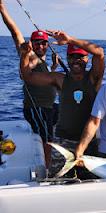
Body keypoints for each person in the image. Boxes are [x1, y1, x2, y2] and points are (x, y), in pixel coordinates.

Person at [19, 30, 105, 177]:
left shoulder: (93, 78)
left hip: (88, 143)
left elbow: (99, 53)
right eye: (72, 56)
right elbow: (28, 76)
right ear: (67, 58)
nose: (76, 60)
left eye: (80, 56)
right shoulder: (60, 79)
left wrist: (70, 39)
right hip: (62, 142)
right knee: (57, 184)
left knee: (90, 184)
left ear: (87, 59)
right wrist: (25, 54)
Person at [0, 1, 58, 168]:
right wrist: (3, 9)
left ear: (47, 45)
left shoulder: (44, 61)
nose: (40, 45)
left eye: (43, 43)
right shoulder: (29, 55)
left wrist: (53, 67)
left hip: (49, 107)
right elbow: (14, 31)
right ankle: (46, 172)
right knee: (47, 139)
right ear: (31, 43)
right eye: (37, 42)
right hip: (36, 108)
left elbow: (46, 81)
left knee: (71, 116)